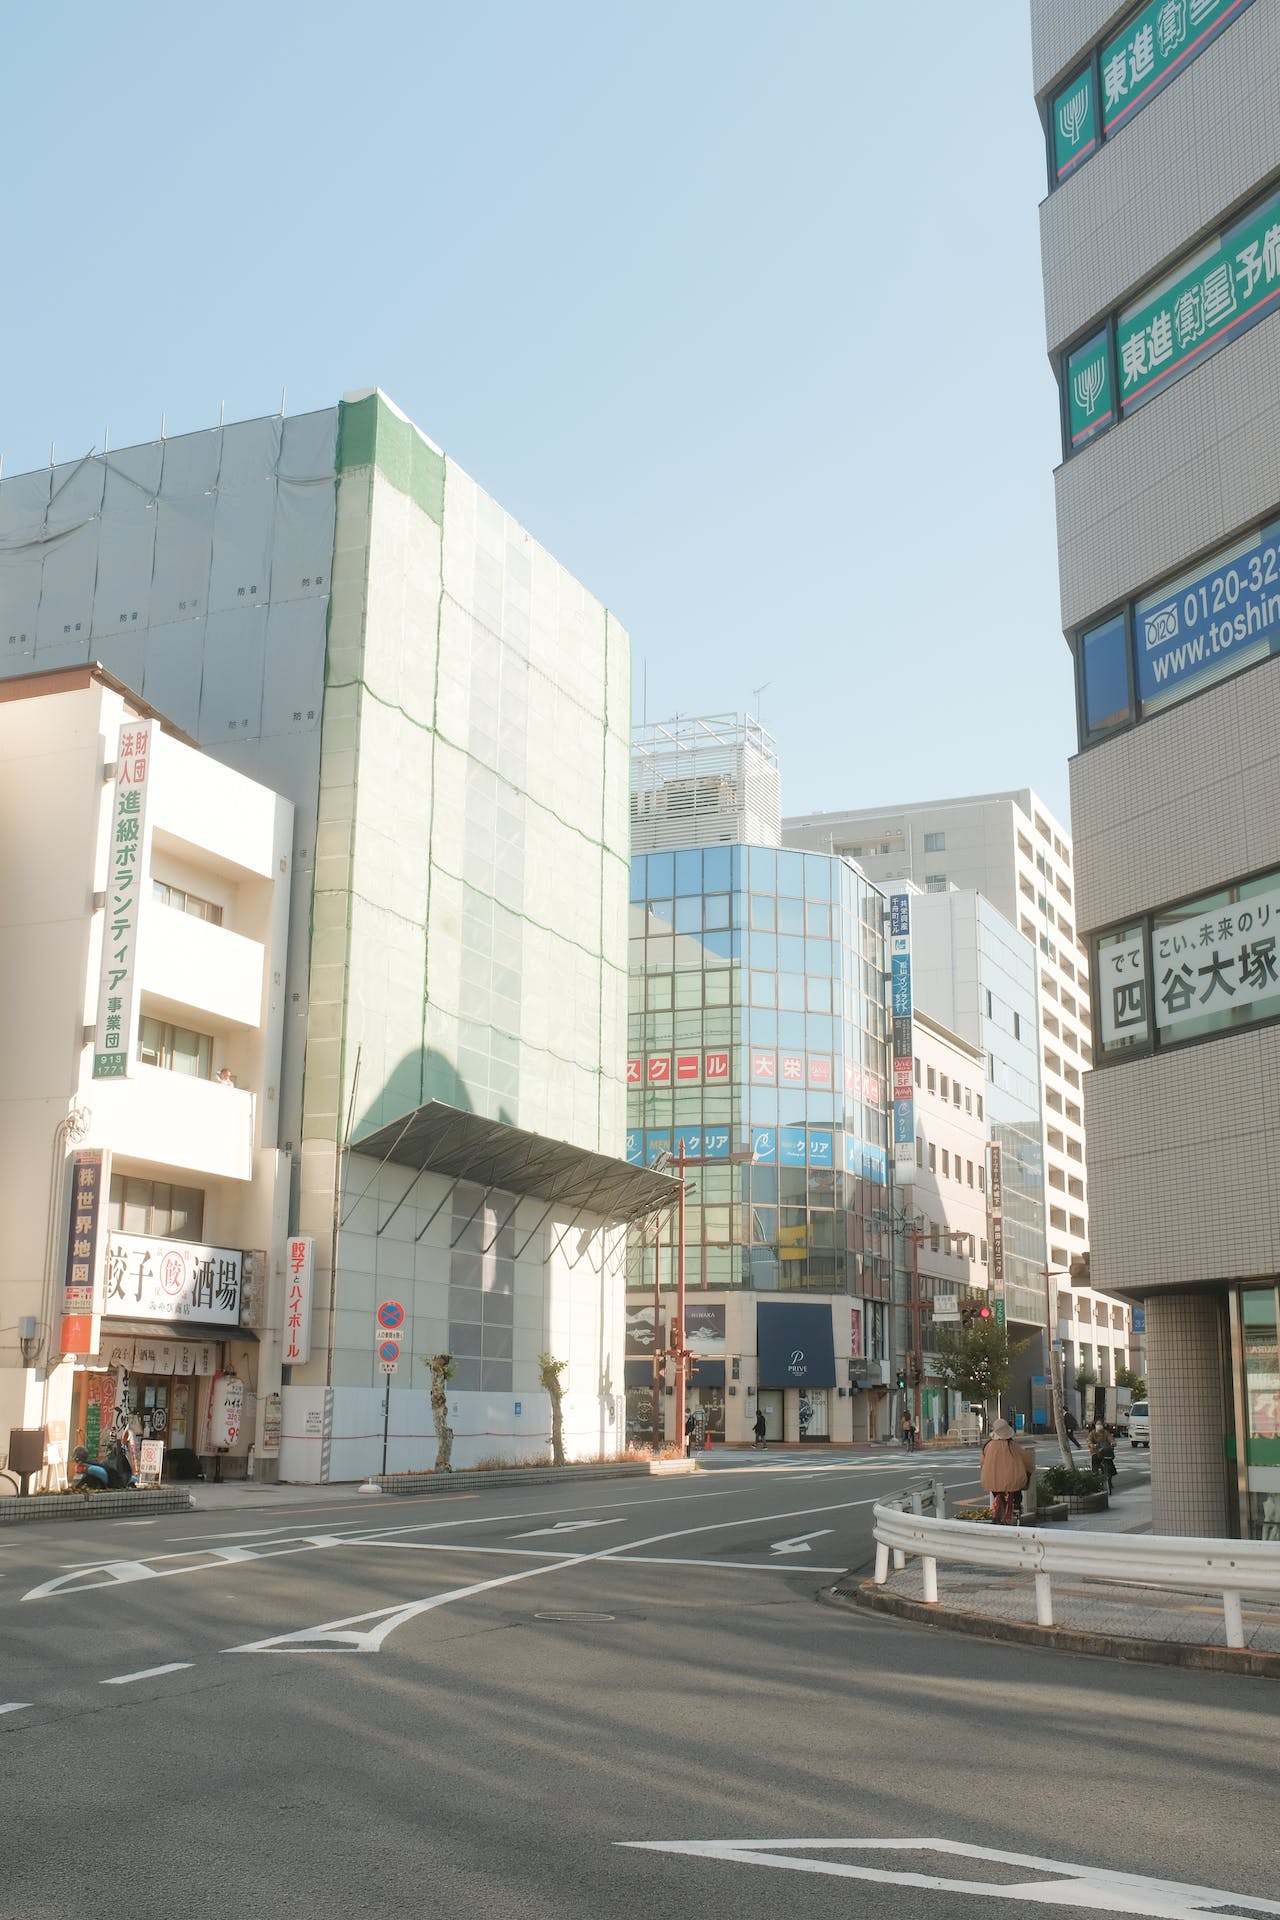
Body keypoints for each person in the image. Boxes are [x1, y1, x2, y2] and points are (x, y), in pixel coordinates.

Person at [980, 1418, 1032, 1525]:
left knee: (997, 1492)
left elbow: (982, 1463)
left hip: (992, 1481)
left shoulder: (987, 1446)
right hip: (1013, 1480)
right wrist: (1029, 1471)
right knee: (1016, 1491)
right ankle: (1016, 1506)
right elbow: (1028, 1461)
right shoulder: (1013, 1446)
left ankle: (998, 1513)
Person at [1088, 1421, 1117, 1490]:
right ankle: (1095, 1481)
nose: (1099, 1426)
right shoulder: (1092, 1433)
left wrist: (1113, 1443)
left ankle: (1109, 1480)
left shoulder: (1106, 1433)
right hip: (1096, 1452)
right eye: (1098, 1425)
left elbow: (1111, 1439)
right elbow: (1089, 1441)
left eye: (1100, 1424)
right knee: (1095, 1465)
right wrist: (1092, 1445)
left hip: (1105, 1451)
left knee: (1110, 1464)